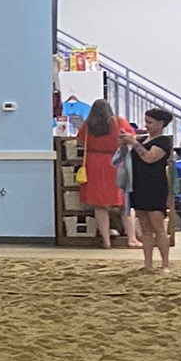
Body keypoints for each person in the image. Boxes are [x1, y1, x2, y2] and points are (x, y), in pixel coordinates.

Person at [128, 106, 174, 274]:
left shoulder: (163, 142)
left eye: (150, 122)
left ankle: (165, 264)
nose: (146, 125)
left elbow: (149, 158)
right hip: (139, 185)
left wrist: (133, 143)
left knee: (158, 227)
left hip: (155, 186)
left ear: (161, 124)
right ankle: (148, 263)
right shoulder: (141, 139)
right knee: (145, 228)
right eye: (146, 121)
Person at [78, 98, 126, 249]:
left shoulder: (88, 125)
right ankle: (131, 237)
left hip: (94, 162)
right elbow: (130, 137)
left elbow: (80, 141)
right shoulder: (119, 122)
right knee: (124, 202)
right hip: (116, 161)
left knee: (99, 204)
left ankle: (106, 240)